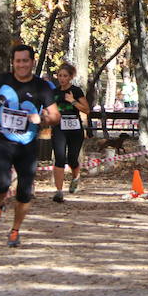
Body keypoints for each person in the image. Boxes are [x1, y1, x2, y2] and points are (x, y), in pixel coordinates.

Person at [0, 45, 60, 246]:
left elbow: (55, 116)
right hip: (1, 141)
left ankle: (15, 231)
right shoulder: (0, 81)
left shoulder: (42, 87)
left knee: (24, 192)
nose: (21, 65)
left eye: (25, 61)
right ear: (12, 62)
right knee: (2, 182)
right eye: (18, 61)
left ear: (32, 62)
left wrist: (42, 118)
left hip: (27, 146)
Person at [51, 63, 90, 203]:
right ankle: (59, 191)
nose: (62, 79)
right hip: (59, 128)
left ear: (71, 77)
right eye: (60, 76)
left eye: (65, 76)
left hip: (74, 129)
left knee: (72, 158)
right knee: (60, 158)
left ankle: (75, 177)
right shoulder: (54, 92)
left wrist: (72, 101)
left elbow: (87, 110)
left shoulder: (76, 91)